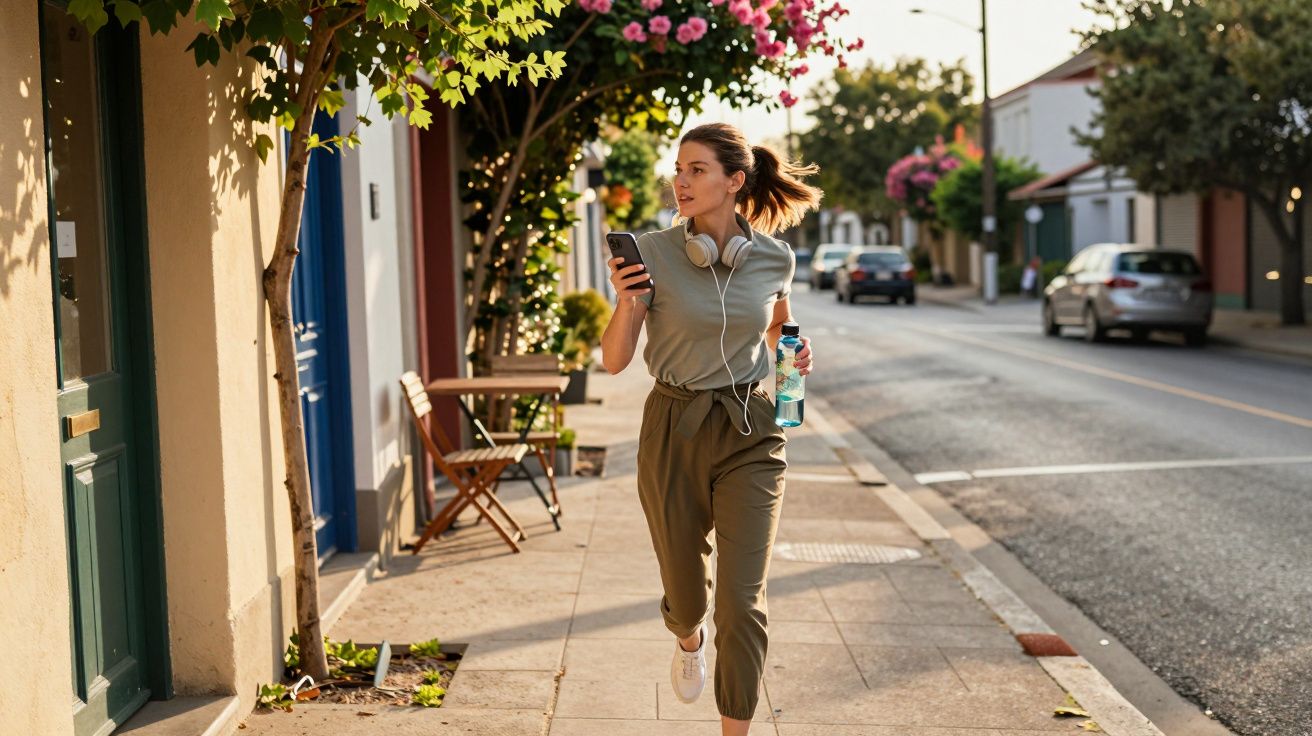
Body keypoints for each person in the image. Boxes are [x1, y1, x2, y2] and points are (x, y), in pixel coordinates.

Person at [600, 122, 820, 735]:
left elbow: (780, 326)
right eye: (679, 169)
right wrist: (626, 302)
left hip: (752, 428)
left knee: (742, 603)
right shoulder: (652, 252)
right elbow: (614, 361)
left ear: (735, 181)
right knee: (688, 597)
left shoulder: (775, 257)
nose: (681, 181)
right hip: (674, 427)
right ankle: (686, 636)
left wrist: (794, 354)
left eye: (697, 169)